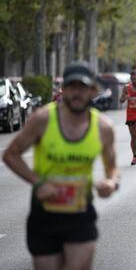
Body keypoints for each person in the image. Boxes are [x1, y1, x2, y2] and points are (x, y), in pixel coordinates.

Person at [2, 61, 119, 270]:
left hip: (81, 213)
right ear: (62, 89)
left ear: (92, 91)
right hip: (44, 215)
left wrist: (111, 182)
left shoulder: (103, 128)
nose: (77, 93)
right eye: (71, 87)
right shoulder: (43, 119)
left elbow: (113, 168)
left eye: (82, 87)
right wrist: (39, 183)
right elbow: (11, 155)